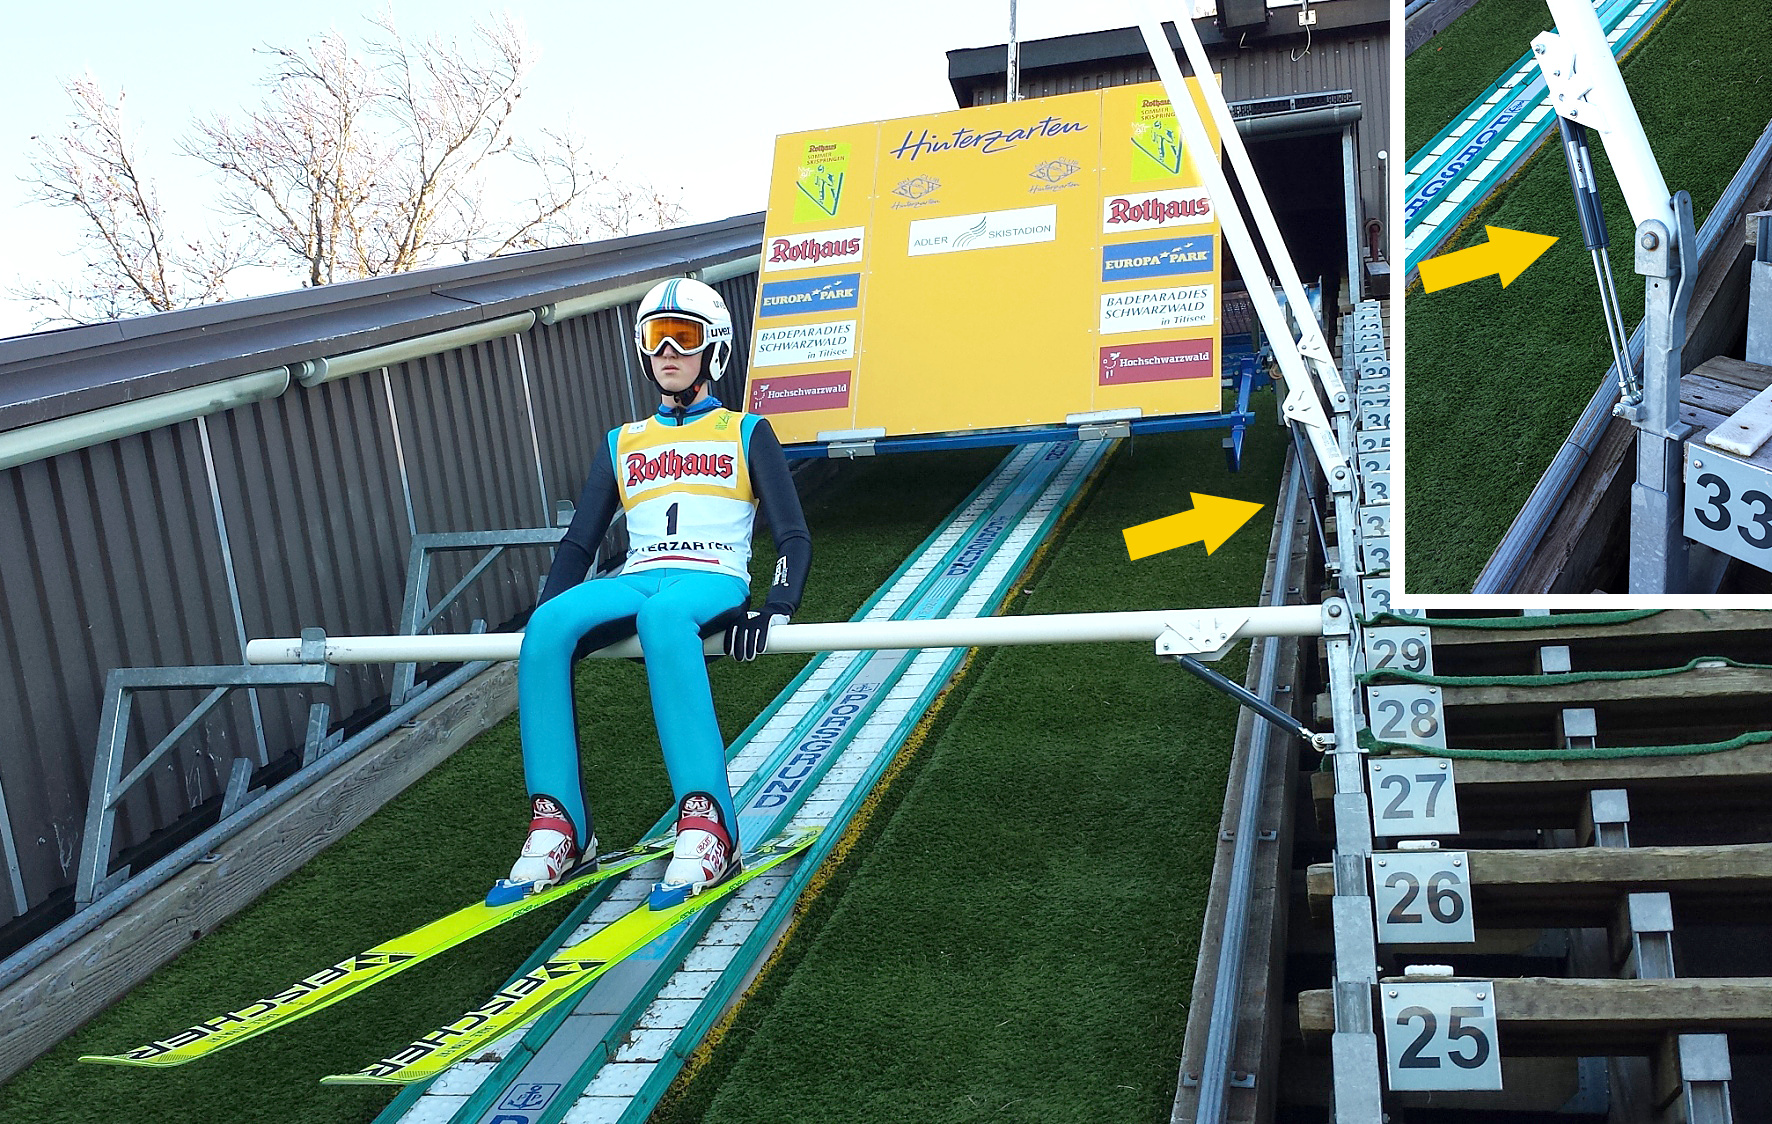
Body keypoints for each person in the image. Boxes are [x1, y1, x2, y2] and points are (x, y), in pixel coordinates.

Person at [490, 277, 811, 910]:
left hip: (711, 575)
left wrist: (776, 606)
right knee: (547, 627)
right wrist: (549, 609)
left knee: (665, 619)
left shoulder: (747, 431)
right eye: (655, 337)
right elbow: (579, 545)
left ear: (714, 348)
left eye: (684, 337)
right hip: (639, 575)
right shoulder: (623, 440)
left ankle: (709, 825)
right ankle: (559, 826)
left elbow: (793, 536)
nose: (667, 351)